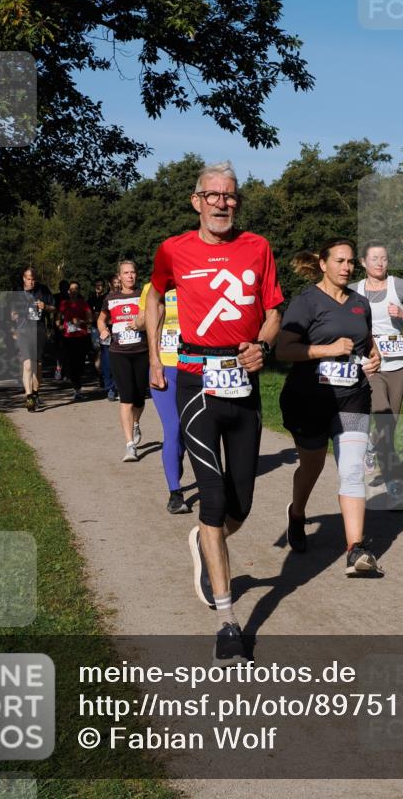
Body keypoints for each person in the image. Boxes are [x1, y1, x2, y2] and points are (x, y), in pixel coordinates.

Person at [145, 161, 283, 665]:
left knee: (240, 505)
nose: (222, 203)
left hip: (243, 386)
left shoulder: (258, 247)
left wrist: (262, 347)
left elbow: (272, 314)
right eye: (213, 195)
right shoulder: (172, 249)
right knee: (213, 495)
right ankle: (227, 622)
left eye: (230, 196)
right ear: (196, 200)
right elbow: (156, 296)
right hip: (196, 381)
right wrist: (154, 355)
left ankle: (206, 543)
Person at [276, 240, 383, 576]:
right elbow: (284, 350)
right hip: (310, 398)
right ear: (323, 264)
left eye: (351, 262)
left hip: (353, 396)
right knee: (312, 467)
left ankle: (355, 548)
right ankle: (297, 514)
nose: (346, 267)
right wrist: (327, 349)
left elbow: (366, 341)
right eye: (339, 261)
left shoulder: (359, 303)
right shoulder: (306, 302)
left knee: (351, 470)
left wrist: (375, 354)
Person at [352, 241, 403, 482]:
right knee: (383, 415)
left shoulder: (400, 285)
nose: (379, 263)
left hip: (397, 364)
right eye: (374, 258)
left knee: (391, 421)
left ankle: (371, 448)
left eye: (384, 258)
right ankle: (392, 477)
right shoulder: (355, 290)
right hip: (370, 364)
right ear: (363, 262)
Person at [139, 281, 189, 514]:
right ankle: (175, 493)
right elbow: (142, 319)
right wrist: (140, 320)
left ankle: (174, 464)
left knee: (188, 431)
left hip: (192, 368)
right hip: (163, 367)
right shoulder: (152, 288)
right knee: (173, 428)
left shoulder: (194, 282)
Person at [98, 261, 148, 460]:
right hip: (119, 352)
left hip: (141, 351)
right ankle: (129, 445)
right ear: (119, 276)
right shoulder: (110, 298)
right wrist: (102, 329)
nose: (130, 276)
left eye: (133, 272)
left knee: (139, 399)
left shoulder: (143, 296)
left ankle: (136, 423)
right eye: (126, 273)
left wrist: (141, 324)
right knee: (125, 399)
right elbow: (101, 318)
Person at [11, 267, 55, 411]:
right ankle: (29, 397)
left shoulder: (43, 290)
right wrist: (13, 318)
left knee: (38, 365)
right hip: (23, 331)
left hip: (39, 330)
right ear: (24, 278)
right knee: (28, 364)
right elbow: (9, 311)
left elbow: (54, 308)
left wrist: (45, 306)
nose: (32, 282)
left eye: (34, 279)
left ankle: (36, 393)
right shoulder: (17, 293)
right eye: (29, 279)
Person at [57, 280, 93, 400]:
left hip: (81, 337)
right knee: (71, 363)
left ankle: (77, 384)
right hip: (68, 337)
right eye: (71, 289)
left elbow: (90, 320)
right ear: (68, 291)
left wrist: (80, 321)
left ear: (78, 291)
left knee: (80, 363)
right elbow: (58, 318)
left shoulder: (83, 303)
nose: (73, 291)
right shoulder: (64, 304)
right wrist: (60, 326)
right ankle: (76, 389)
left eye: (76, 289)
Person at [99, 273, 120, 401]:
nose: (117, 284)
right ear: (110, 284)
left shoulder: (128, 296)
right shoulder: (107, 298)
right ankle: (111, 388)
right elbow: (102, 318)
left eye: (119, 282)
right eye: (115, 282)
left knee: (120, 361)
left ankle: (120, 387)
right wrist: (104, 328)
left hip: (122, 332)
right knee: (108, 362)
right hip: (109, 331)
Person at [87, 279, 107, 388]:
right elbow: (88, 314)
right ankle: (100, 375)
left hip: (106, 328)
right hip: (95, 328)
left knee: (106, 351)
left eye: (100, 285)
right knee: (98, 351)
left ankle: (106, 374)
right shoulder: (91, 299)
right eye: (96, 285)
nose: (98, 287)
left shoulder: (107, 297)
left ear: (103, 287)